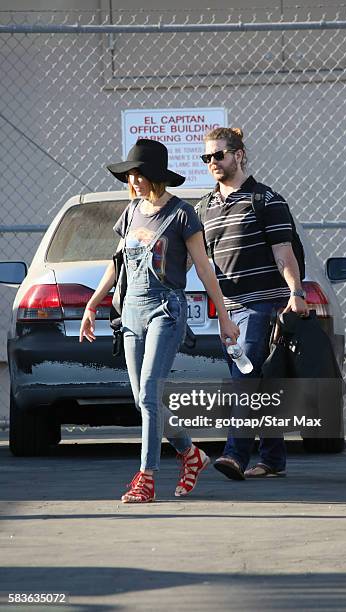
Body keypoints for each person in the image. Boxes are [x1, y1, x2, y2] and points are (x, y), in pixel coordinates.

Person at [79, 138, 239, 503]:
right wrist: (92, 303)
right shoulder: (131, 212)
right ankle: (190, 453)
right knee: (142, 400)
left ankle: (145, 478)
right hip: (131, 313)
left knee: (150, 393)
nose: (133, 182)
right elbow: (116, 264)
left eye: (138, 175)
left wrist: (225, 318)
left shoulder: (182, 214)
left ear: (155, 176)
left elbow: (204, 268)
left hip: (166, 310)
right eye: (130, 176)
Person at [197, 127, 308, 480]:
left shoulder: (266, 200)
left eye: (219, 155)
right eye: (207, 157)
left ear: (239, 155)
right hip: (229, 312)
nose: (213, 162)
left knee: (244, 381)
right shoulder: (204, 208)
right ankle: (273, 458)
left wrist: (296, 291)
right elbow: (197, 261)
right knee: (257, 382)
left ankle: (235, 455)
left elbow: (283, 253)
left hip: (262, 306)